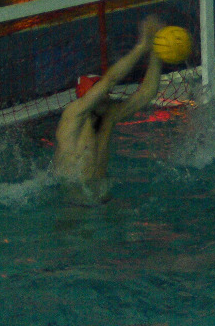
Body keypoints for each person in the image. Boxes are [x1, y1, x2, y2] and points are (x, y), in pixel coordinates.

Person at [52, 15, 163, 202]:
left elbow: (146, 94)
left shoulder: (109, 115)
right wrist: (142, 46)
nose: (107, 96)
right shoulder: (74, 115)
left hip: (102, 196)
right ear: (87, 96)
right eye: (100, 93)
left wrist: (156, 53)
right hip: (74, 199)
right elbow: (110, 80)